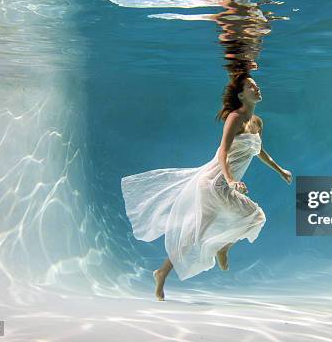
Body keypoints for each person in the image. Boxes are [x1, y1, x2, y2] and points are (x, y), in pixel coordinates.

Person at [120, 72, 292, 301]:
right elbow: (223, 151)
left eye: (256, 84)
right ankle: (222, 248)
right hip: (215, 183)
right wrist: (231, 179)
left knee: (194, 234)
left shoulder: (257, 122)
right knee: (255, 216)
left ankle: (162, 272)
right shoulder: (235, 118)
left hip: (222, 185)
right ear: (241, 95)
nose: (257, 88)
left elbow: (258, 150)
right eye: (251, 86)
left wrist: (280, 170)